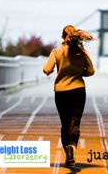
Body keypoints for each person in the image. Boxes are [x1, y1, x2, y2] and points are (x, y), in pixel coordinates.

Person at [43, 25, 95, 167]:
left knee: (65, 123)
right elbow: (91, 71)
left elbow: (47, 69)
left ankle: (68, 153)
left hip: (61, 92)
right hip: (78, 90)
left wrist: (57, 71)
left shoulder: (57, 51)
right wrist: (77, 74)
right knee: (75, 121)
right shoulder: (81, 51)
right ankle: (73, 146)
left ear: (62, 36)